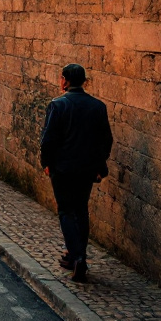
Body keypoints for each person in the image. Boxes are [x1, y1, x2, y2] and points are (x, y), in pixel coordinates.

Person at [39, 63, 113, 282]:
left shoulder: (58, 105)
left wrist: (47, 162)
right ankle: (76, 256)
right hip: (86, 169)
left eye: (61, 78)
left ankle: (78, 257)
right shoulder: (98, 106)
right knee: (81, 210)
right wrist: (100, 167)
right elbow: (105, 140)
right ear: (84, 82)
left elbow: (48, 140)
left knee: (65, 211)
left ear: (65, 80)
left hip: (62, 169)